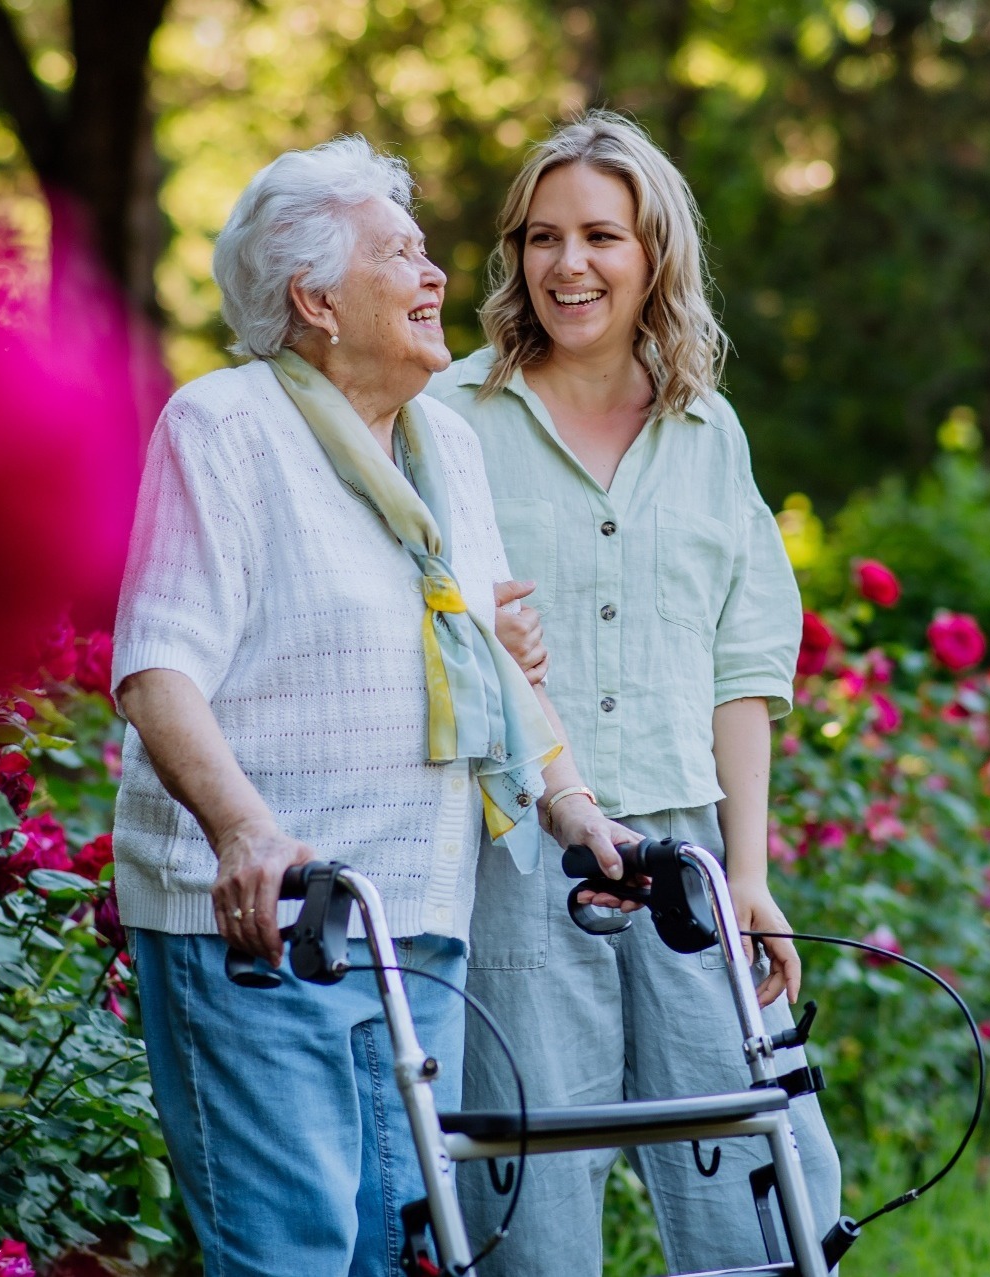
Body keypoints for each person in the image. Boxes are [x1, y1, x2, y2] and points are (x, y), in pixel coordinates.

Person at [110, 135, 632, 1277]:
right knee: (295, 1251)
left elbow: (491, 661)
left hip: (415, 923)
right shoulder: (227, 427)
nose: (437, 274)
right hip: (266, 925)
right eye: (400, 253)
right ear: (314, 299)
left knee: (408, 1254)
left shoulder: (442, 438)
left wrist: (575, 806)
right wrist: (245, 828)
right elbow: (158, 665)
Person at [428, 111, 843, 1276]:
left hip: (685, 856)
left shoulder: (709, 433)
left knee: (758, 1179)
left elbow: (745, 668)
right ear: (513, 254)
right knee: (528, 1182)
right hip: (516, 855)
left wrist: (747, 873)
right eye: (543, 237)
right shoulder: (449, 420)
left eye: (602, 235)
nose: (570, 265)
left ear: (655, 252)